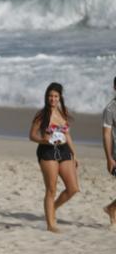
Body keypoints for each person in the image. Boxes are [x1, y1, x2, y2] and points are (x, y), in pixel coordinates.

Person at [29, 82, 80, 232]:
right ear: (46, 97)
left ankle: (53, 208)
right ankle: (51, 225)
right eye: (50, 96)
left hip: (64, 150)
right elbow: (31, 135)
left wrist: (74, 154)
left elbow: (67, 135)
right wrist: (42, 140)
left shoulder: (63, 112)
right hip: (47, 151)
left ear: (60, 98)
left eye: (55, 96)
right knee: (51, 189)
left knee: (73, 188)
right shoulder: (41, 114)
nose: (52, 99)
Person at [102, 76, 116, 226]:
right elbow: (106, 133)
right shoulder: (110, 109)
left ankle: (111, 208)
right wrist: (109, 158)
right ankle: (111, 208)